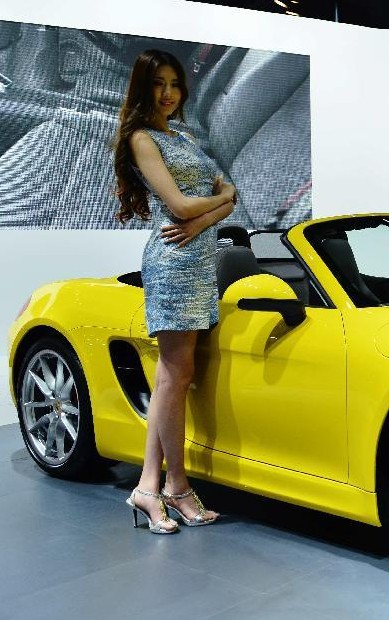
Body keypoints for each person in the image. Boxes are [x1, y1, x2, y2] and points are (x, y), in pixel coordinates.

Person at [113, 49, 235, 533]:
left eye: (174, 84)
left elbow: (225, 201)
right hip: (173, 262)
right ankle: (175, 487)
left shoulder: (180, 136)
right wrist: (217, 203)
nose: (168, 93)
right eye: (158, 83)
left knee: (174, 378)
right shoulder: (143, 139)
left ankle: (149, 487)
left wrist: (214, 208)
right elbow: (181, 206)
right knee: (173, 377)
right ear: (144, 88)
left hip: (199, 261)